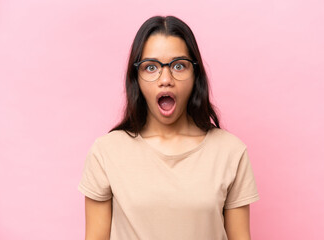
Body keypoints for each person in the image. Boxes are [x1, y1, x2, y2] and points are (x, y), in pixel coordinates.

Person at [78, 15, 260, 240]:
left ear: (196, 75)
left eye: (179, 66)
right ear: (136, 77)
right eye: (151, 67)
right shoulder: (106, 152)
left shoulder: (230, 151)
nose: (165, 79)